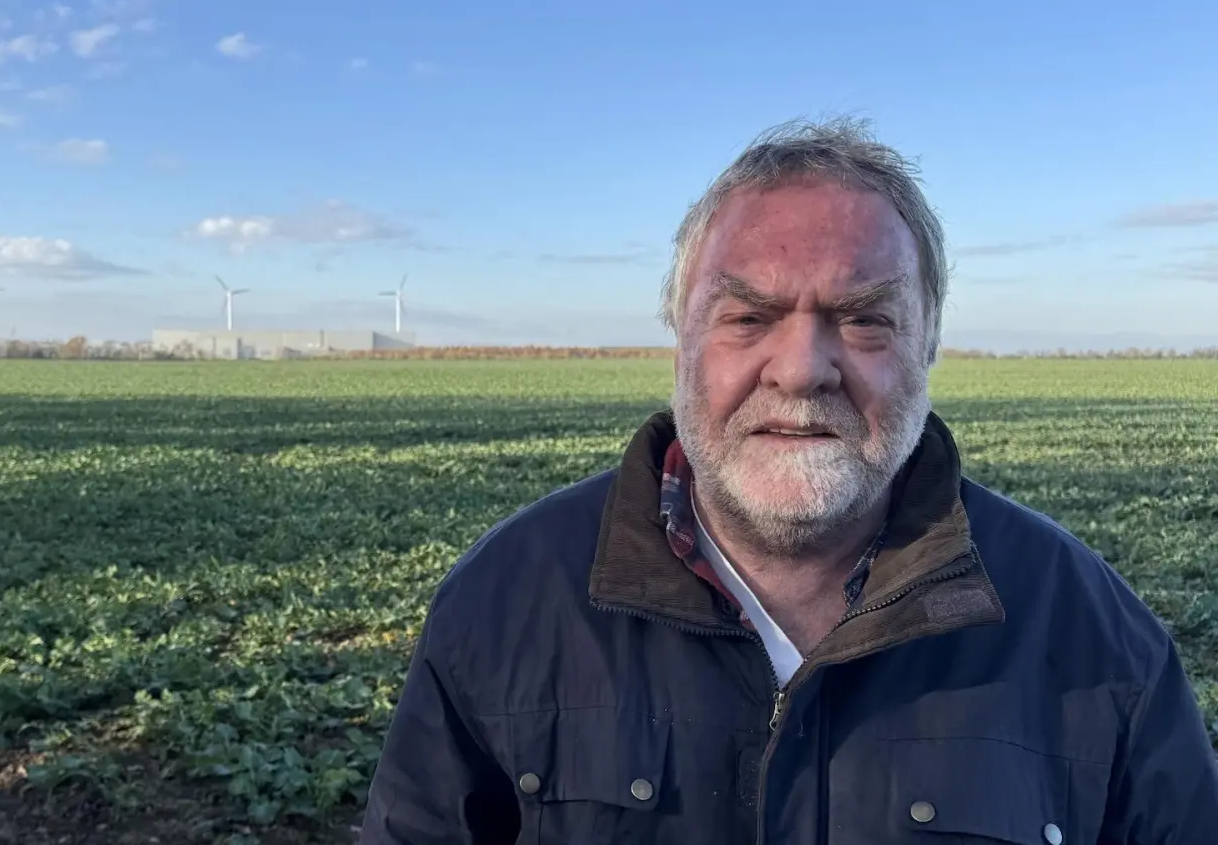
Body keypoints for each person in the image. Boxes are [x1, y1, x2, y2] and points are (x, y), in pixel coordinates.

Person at [357, 117, 1218, 844]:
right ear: (682, 339)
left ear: (928, 346)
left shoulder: (1100, 644)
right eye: (749, 317)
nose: (803, 369)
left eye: (865, 319)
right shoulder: (503, 605)